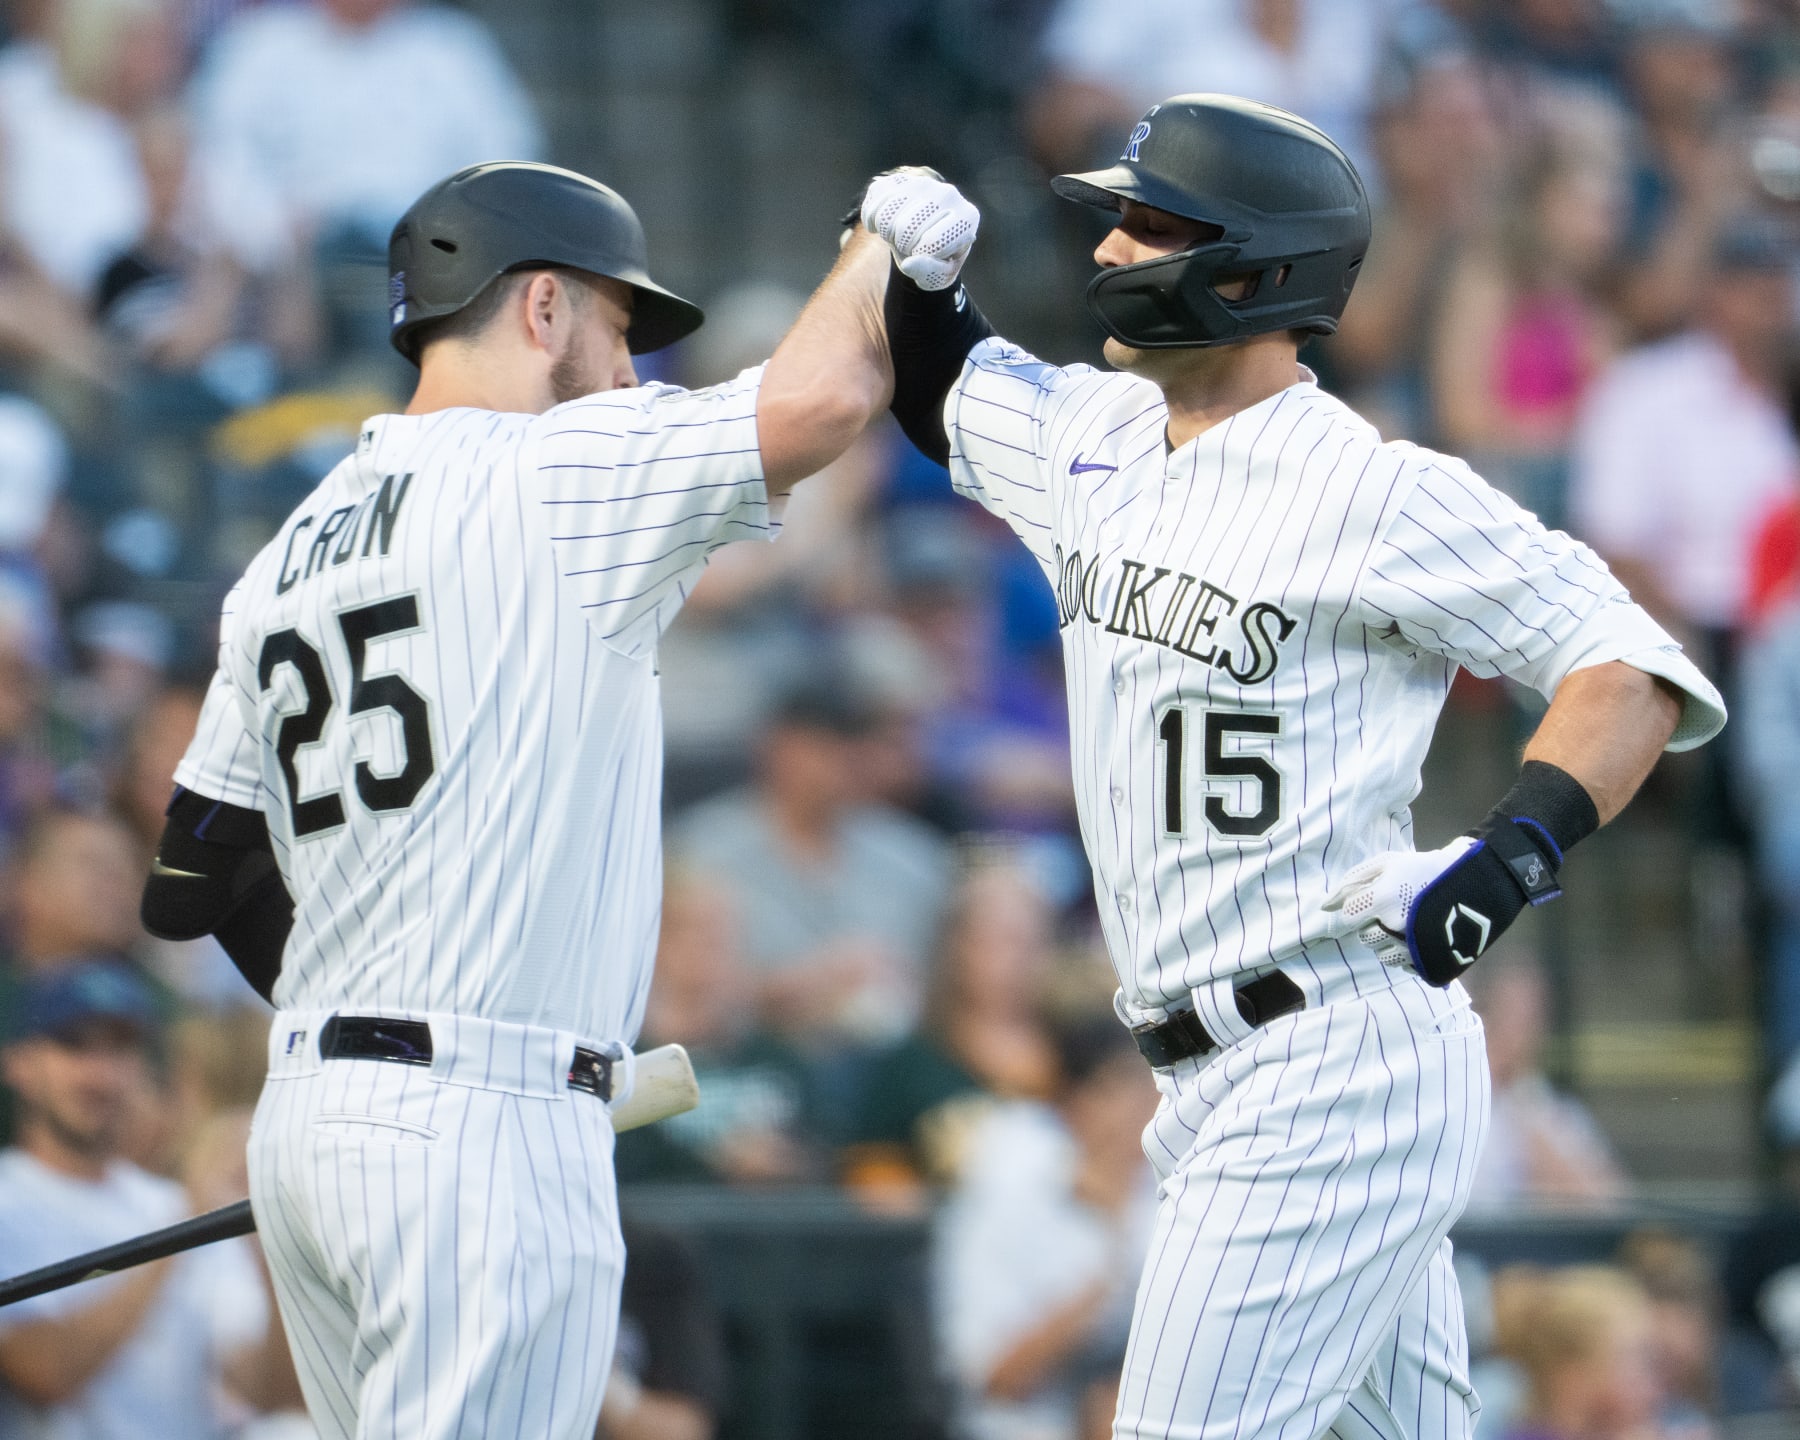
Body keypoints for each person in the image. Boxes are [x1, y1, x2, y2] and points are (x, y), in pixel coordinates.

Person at [836, 94, 1727, 1440]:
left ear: (1252, 270)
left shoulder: (1374, 489)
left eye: (1151, 223)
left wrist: (1505, 860)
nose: (1113, 249)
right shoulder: (1097, 435)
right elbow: (939, 383)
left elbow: (1630, 669)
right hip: (1205, 1071)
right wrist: (908, 268)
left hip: (1330, 1055)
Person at [138, 160, 895, 1439]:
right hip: (481, 1135)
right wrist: (882, 241)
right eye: (616, 327)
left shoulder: (287, 548)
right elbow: (825, 398)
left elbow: (190, 874)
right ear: (541, 307)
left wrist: (376, 1021)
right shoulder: (560, 472)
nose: (629, 373)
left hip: (316, 1126)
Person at [0, 958, 280, 1437]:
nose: (101, 1073)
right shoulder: (10, 1199)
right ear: (19, 1063)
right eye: (75, 1044)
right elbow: (47, 1372)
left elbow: (262, 1389)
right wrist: (185, 1224)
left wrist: (275, 1248)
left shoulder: (173, 1201)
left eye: (122, 1047)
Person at [933, 1016, 1159, 1440]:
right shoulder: (1010, 1199)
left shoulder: (1179, 1194)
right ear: (1075, 1101)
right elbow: (996, 1378)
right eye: (1123, 1087)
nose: (1145, 1105)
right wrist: (1111, 1264)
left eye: (1153, 1086)